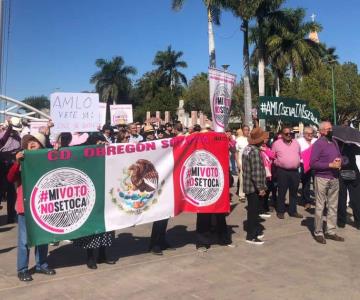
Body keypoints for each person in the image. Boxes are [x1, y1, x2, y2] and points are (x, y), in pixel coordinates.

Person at [7, 133, 56, 281]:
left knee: (43, 238)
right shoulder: (22, 161)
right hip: (25, 207)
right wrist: (17, 163)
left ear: (41, 145)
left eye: (35, 141)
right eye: (29, 142)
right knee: (24, 241)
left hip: (44, 206)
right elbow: (10, 178)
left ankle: (41, 264)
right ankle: (22, 269)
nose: (32, 144)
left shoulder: (48, 160)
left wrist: (58, 153)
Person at [310, 121, 344, 244]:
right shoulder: (319, 144)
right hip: (322, 178)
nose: (331, 130)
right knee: (320, 206)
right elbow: (313, 163)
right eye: (329, 129)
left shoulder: (334, 142)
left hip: (334, 178)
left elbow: (340, 156)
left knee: (333, 206)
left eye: (331, 128)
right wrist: (330, 164)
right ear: (322, 131)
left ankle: (330, 231)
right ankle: (318, 232)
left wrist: (340, 162)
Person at [242, 127, 268, 245]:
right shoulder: (256, 152)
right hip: (254, 187)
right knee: (253, 212)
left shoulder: (247, 149)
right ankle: (251, 236)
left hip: (248, 185)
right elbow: (256, 172)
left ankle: (254, 231)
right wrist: (261, 188)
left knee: (252, 211)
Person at [272, 126, 303, 219]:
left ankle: (293, 211)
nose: (289, 135)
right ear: (282, 135)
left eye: (291, 133)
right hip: (282, 171)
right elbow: (273, 157)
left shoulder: (296, 143)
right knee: (282, 192)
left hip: (295, 172)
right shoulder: (276, 144)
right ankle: (280, 211)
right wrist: (278, 162)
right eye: (286, 134)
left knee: (294, 192)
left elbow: (299, 155)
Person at [337, 142, 360, 229]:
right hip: (353, 173)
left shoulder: (338, 146)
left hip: (342, 173)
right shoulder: (353, 146)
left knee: (341, 198)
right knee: (355, 199)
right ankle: (358, 222)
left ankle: (341, 221)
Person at [297, 126, 317, 209]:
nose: (310, 135)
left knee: (317, 183)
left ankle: (319, 201)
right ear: (304, 134)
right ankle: (307, 201)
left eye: (311, 133)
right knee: (306, 183)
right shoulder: (298, 141)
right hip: (303, 164)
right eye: (307, 133)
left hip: (315, 165)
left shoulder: (316, 141)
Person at [235, 126, 250, 201]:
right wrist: (238, 162)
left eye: (248, 130)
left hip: (250, 162)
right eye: (245, 130)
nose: (246, 131)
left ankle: (249, 193)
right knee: (242, 179)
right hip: (241, 162)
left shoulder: (251, 139)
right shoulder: (238, 140)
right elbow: (236, 152)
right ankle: (242, 195)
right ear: (243, 131)